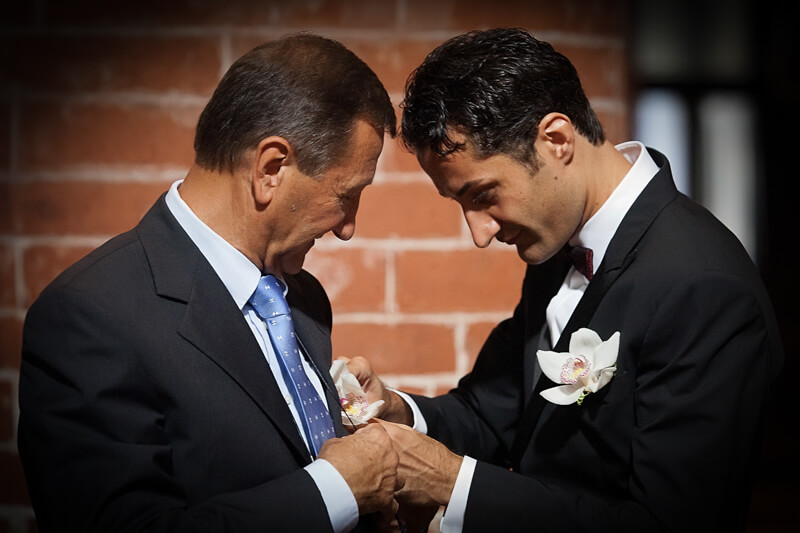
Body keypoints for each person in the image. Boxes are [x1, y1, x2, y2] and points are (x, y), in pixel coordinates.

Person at [350, 28, 784, 532]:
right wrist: (398, 412)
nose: (480, 233)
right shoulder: (558, 247)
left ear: (555, 140)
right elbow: (495, 409)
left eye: (483, 194)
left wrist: (453, 484)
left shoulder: (703, 286)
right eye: (461, 205)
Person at [18, 34, 401, 533]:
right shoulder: (88, 317)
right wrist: (337, 489)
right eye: (346, 194)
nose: (347, 226)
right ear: (272, 168)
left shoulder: (301, 298)